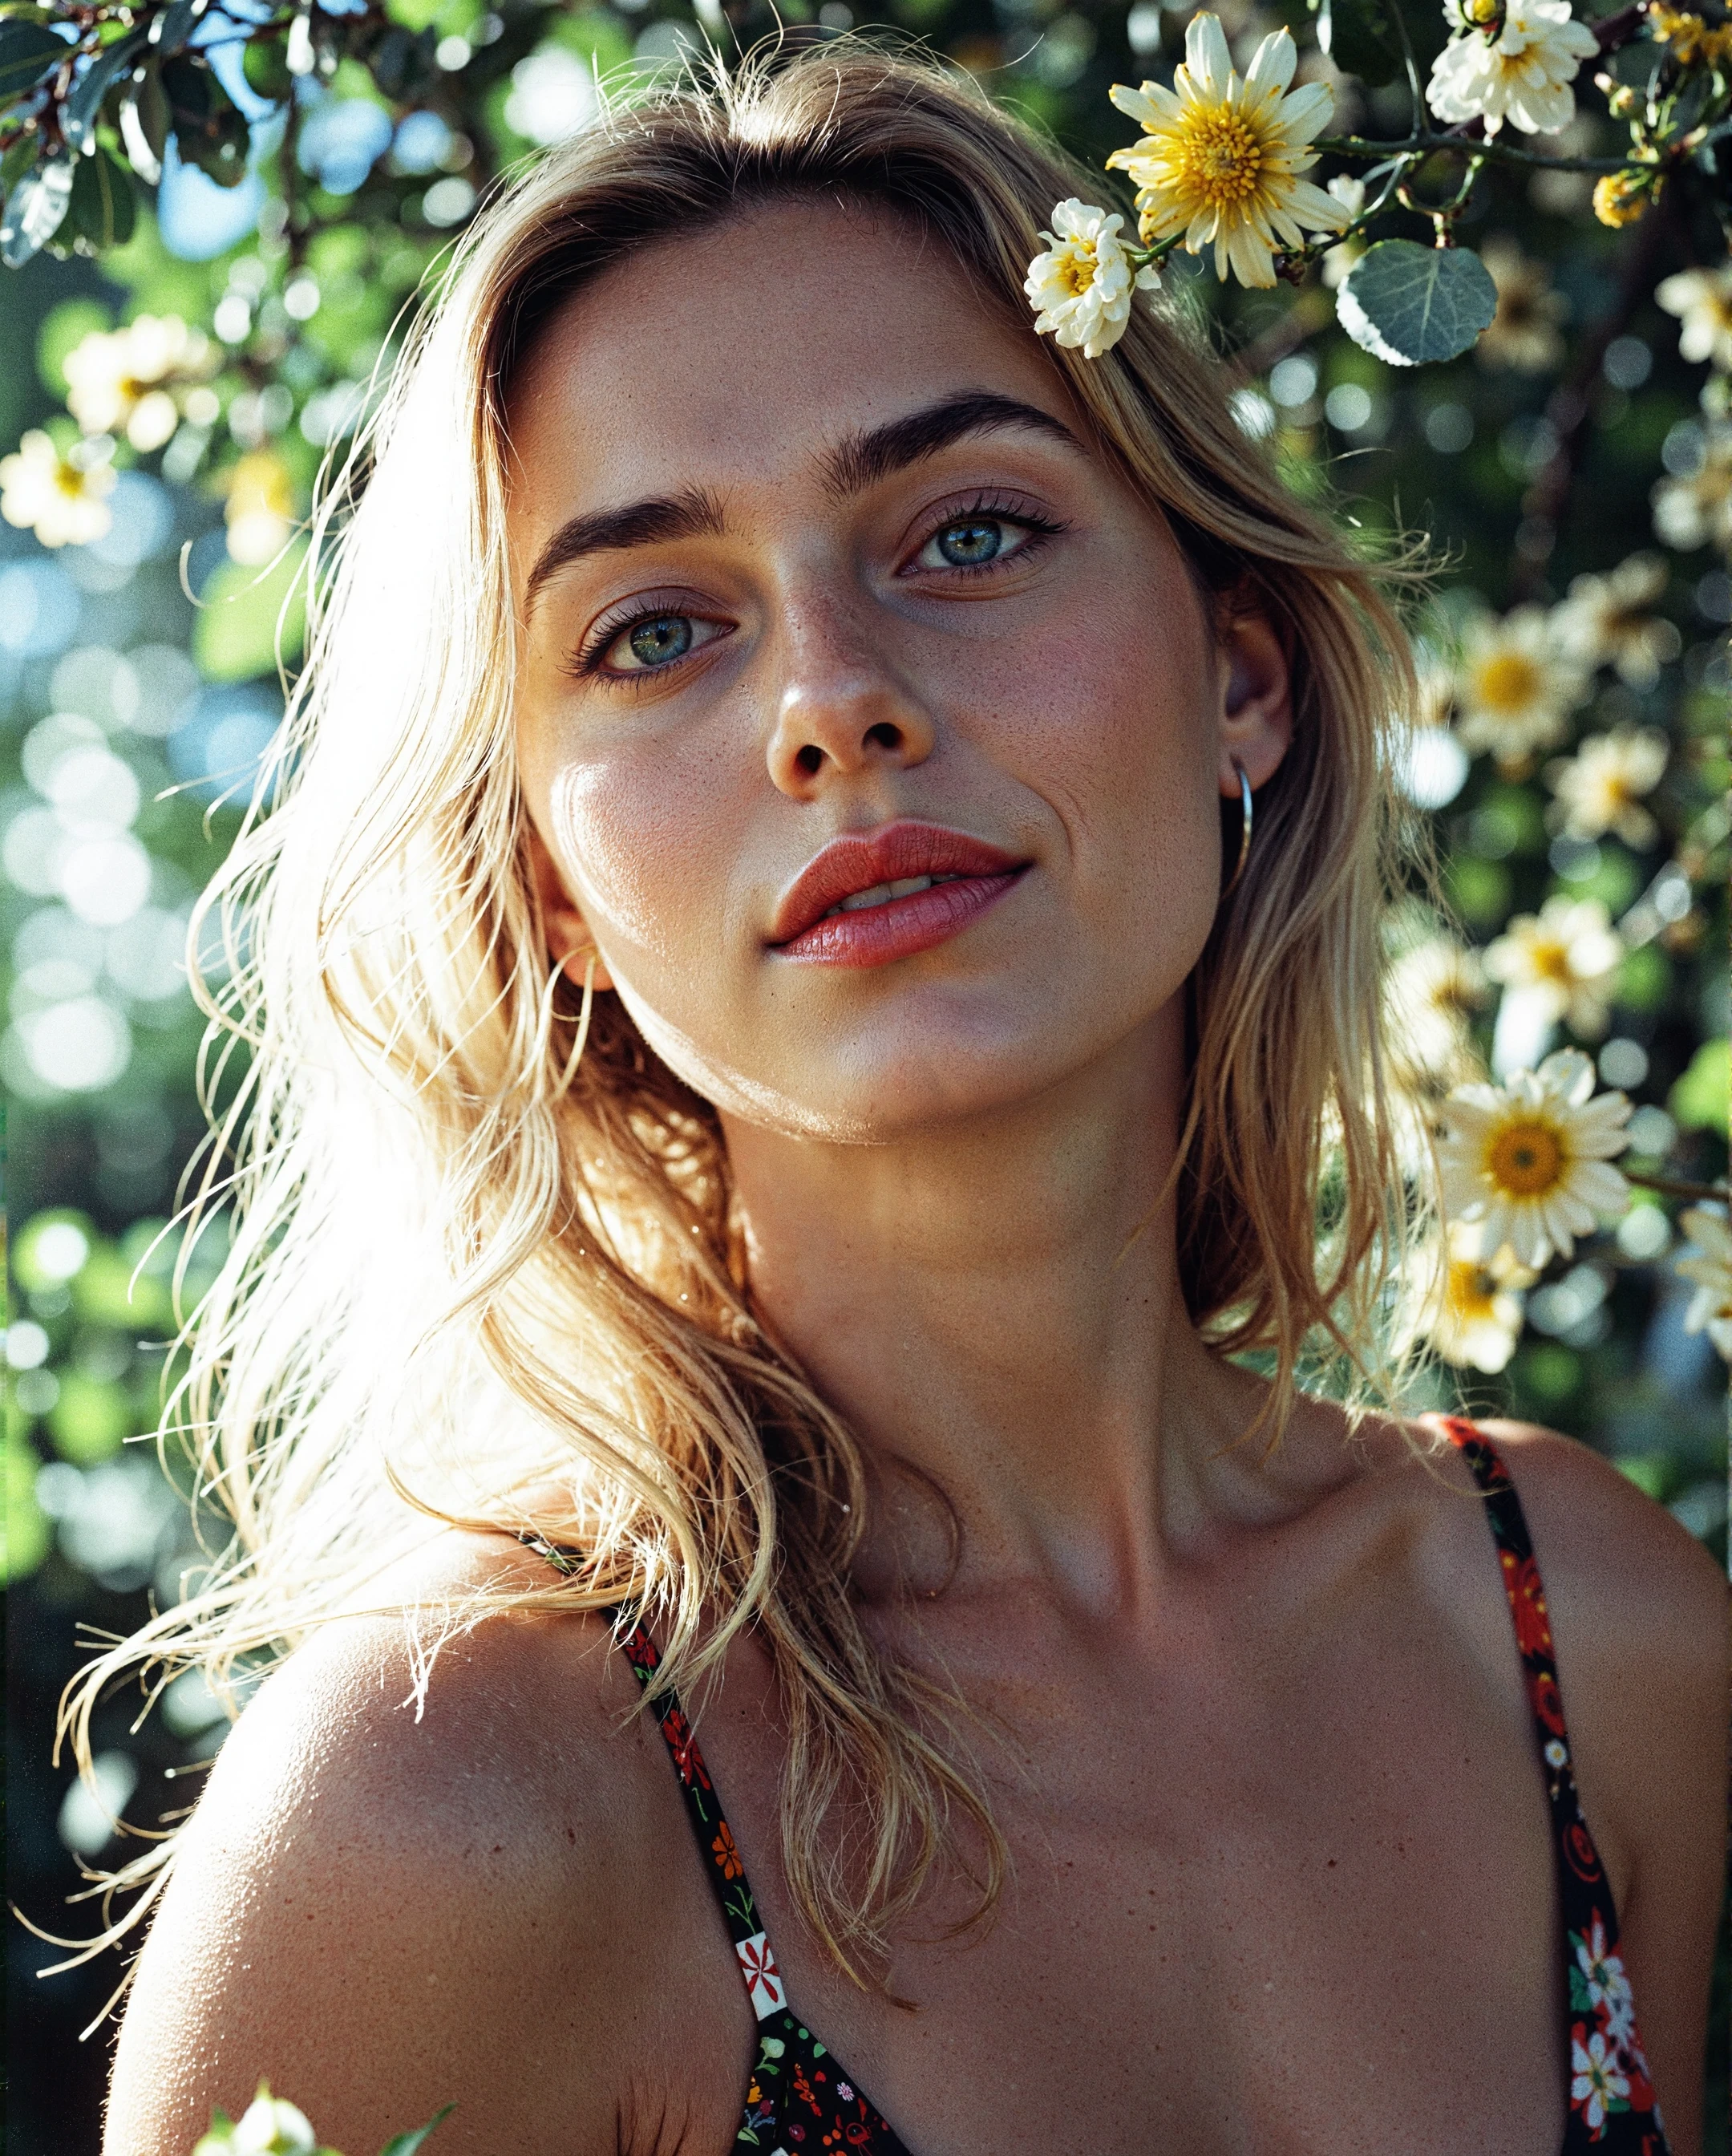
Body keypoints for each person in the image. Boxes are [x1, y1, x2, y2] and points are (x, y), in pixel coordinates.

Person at [87, 43, 1722, 2156]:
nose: (834, 698)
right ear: (551, 888)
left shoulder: (1590, 1637)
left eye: (965, 530)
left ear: (1242, 676)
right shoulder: (457, 1805)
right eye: (656, 629)